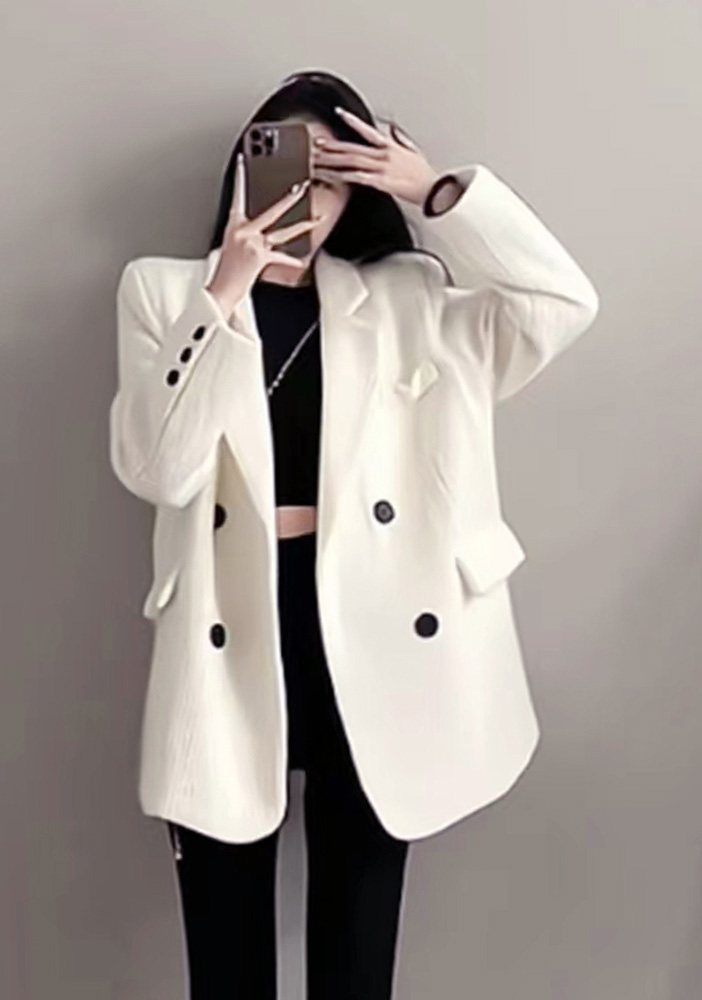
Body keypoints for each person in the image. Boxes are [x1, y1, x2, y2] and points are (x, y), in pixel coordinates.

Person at [109, 70, 599, 999]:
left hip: (376, 626)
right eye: (284, 169)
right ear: (245, 173)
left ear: (358, 195)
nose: (305, 199)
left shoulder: (410, 297)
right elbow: (159, 470)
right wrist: (224, 293)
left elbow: (561, 304)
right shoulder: (166, 293)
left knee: (357, 957)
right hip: (230, 623)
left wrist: (438, 193)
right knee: (225, 960)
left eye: (331, 178)